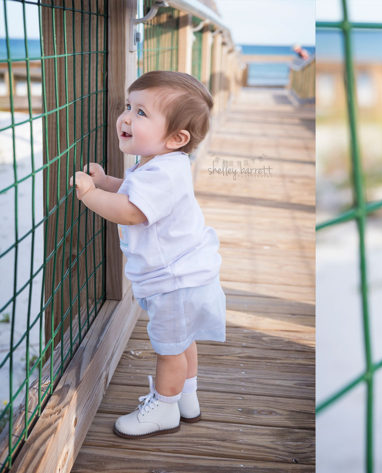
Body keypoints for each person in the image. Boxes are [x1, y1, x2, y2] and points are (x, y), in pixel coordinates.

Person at [70, 70, 224, 439]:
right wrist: (108, 183)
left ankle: (164, 409)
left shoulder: (162, 172)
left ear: (176, 137)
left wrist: (91, 194)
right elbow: (136, 194)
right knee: (183, 341)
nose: (125, 117)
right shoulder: (164, 164)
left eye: (141, 113)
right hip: (187, 275)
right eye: (128, 106)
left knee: (169, 349)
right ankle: (187, 398)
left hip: (173, 281)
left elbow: (132, 211)